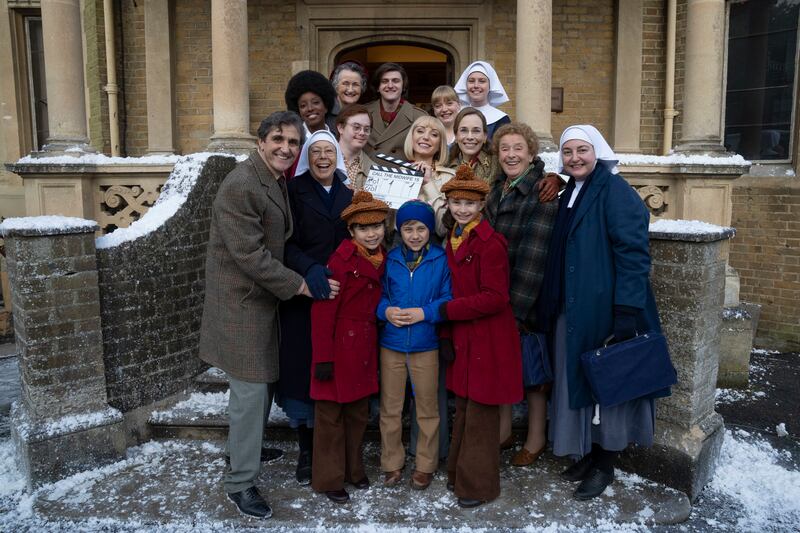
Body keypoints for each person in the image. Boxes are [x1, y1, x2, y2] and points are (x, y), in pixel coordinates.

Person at [199, 111, 339, 519]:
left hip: (262, 302)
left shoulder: (272, 178)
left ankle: (246, 445)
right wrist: (300, 284)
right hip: (242, 304)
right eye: (278, 139)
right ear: (260, 142)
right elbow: (250, 255)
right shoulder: (242, 183)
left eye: (293, 142)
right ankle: (240, 482)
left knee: (259, 384)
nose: (286, 148)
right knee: (251, 390)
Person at [538, 125, 666, 500]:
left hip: (606, 309)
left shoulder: (615, 191)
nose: (575, 158)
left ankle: (606, 463)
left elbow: (633, 253)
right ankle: (590, 454)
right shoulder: (573, 191)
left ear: (598, 152)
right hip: (576, 308)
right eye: (568, 152)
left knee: (608, 385)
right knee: (582, 381)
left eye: (582, 150)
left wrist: (626, 310)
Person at [438, 165, 522, 508]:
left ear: (481, 207)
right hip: (464, 337)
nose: (462, 209)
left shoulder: (491, 243)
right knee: (465, 409)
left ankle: (479, 485)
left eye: (469, 204)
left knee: (483, 415)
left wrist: (448, 311)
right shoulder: (453, 239)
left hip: (488, 338)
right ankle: (460, 474)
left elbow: (496, 297)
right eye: (456, 202)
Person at [278, 129, 353, 487]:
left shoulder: (349, 193)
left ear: (337, 156)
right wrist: (308, 269)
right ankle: (306, 450)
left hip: (340, 294)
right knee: (305, 370)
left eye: (329, 151)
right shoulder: (292, 191)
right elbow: (284, 242)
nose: (323, 157)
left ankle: (332, 447)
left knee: (334, 370)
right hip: (304, 293)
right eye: (317, 151)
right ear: (307, 156)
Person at [485, 122, 558, 467]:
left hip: (523, 297)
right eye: (504, 149)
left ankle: (535, 438)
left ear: (531, 154)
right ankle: (502, 432)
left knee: (532, 373)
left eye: (518, 148)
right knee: (502, 365)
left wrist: (514, 310)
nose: (511, 154)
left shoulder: (542, 193)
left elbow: (535, 257)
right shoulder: (496, 188)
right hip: (496, 294)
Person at [310, 191, 390, 504]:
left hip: (364, 348)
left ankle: (353, 468)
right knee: (330, 418)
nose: (372, 233)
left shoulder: (384, 257)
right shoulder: (340, 261)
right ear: (351, 231)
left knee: (357, 415)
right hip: (339, 347)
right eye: (363, 228)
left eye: (377, 226)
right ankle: (329, 478)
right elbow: (323, 312)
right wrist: (323, 358)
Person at [377, 200, 452, 490]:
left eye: (421, 228)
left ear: (429, 230)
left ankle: (425, 464)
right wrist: (386, 311)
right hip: (392, 344)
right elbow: (379, 295)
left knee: (427, 408)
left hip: (425, 344)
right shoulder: (391, 259)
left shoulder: (439, 260)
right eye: (408, 229)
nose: (415, 235)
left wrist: (426, 312)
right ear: (400, 230)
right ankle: (391, 463)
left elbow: (448, 297)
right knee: (391, 408)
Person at [404, 116, 456, 237]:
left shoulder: (450, 178)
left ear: (440, 145)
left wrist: (428, 184)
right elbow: (390, 226)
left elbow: (443, 228)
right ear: (411, 137)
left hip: (436, 244)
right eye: (420, 131)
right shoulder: (394, 174)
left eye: (434, 134)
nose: (426, 137)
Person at [365, 62, 427, 159]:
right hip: (367, 172)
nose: (390, 85)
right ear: (378, 87)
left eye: (395, 81)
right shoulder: (363, 112)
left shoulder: (419, 117)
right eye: (384, 81)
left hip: (403, 172)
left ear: (403, 86)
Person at [454, 61, 511, 140]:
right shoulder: (456, 115)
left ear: (490, 85)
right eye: (471, 81)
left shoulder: (501, 119)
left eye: (482, 81)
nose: (476, 85)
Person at [335, 104, 375, 191]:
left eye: (366, 129)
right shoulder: (323, 159)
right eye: (356, 127)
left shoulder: (375, 170)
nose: (362, 133)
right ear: (340, 128)